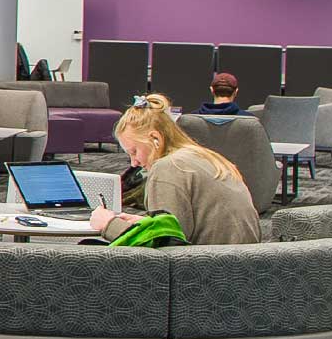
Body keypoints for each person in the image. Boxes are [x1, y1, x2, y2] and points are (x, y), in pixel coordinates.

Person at [89, 94, 261, 246]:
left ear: (155, 138)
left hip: (210, 273)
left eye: (134, 151)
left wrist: (109, 224)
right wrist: (146, 223)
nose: (134, 163)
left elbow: (165, 245)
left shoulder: (167, 168)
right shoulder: (202, 157)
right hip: (241, 267)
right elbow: (182, 225)